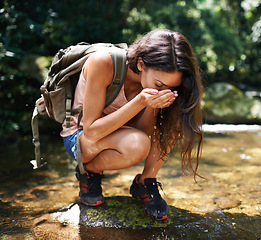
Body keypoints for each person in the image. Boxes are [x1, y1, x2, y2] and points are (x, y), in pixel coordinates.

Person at [61, 29, 204, 220]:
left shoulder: (154, 86)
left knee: (175, 116)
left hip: (122, 136)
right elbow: (92, 131)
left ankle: (146, 181)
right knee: (136, 144)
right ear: (140, 63)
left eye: (171, 87)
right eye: (159, 85)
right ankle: (90, 170)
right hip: (81, 138)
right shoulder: (103, 63)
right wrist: (140, 102)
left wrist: (152, 105)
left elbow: (142, 134)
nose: (163, 91)